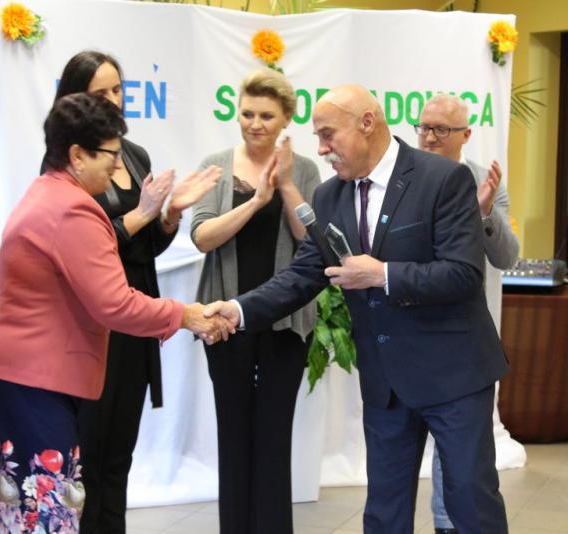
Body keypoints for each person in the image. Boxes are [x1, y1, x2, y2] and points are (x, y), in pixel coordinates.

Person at [206, 85, 509, 534]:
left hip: (454, 377)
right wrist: (238, 309)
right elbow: (304, 273)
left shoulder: (443, 179)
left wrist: (383, 274)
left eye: (328, 134)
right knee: (384, 511)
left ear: (367, 123)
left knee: (470, 502)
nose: (321, 149)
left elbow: (463, 274)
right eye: (318, 137)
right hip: (386, 382)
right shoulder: (330, 196)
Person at [0, 93, 230, 534]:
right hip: (31, 380)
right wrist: (186, 314)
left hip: (15, 374)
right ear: (77, 155)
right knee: (42, 511)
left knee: (15, 509)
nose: (117, 165)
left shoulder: (50, 192)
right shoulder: (72, 209)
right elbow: (114, 303)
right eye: (110, 154)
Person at [47, 51, 220, 534]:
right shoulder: (66, 164)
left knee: (119, 453)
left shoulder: (134, 154)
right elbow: (89, 244)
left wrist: (169, 215)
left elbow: (146, 251)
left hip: (136, 316)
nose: (114, 100)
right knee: (88, 454)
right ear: (74, 99)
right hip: (94, 322)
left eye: (118, 89)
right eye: (100, 92)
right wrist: (142, 213)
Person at [190, 68, 320, 534]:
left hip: (286, 321)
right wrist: (255, 201)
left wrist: (284, 185)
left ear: (286, 119)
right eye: (247, 113)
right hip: (225, 323)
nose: (255, 123)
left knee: (273, 435)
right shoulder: (216, 164)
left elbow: (312, 239)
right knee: (233, 433)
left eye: (266, 115)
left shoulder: (305, 169)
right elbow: (202, 237)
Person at [416, 93, 520, 534]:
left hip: (462, 337)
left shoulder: (484, 181)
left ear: (465, 135)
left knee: (460, 451)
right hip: (411, 331)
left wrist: (484, 210)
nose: (430, 137)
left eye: (442, 129)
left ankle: (448, 524)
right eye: (424, 127)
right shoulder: (402, 179)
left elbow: (507, 257)